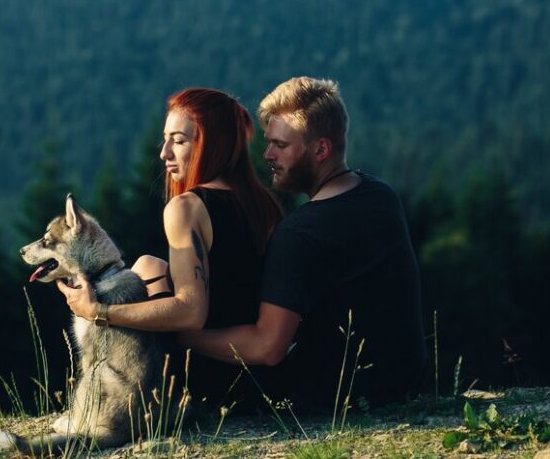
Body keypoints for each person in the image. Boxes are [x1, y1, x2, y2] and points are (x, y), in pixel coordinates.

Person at [179, 76, 426, 408]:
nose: (267, 154)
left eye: (281, 145)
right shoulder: (380, 195)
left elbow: (268, 347)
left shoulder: (299, 233)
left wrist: (183, 336)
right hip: (406, 381)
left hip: (339, 397)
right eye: (268, 142)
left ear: (321, 149)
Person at [57, 87, 283, 405]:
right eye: (166, 139)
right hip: (258, 375)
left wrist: (99, 312)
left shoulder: (187, 208)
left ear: (211, 144)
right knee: (150, 265)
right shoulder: (264, 203)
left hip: (207, 382)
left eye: (179, 140)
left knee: (144, 269)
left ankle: (108, 400)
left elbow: (191, 312)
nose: (164, 152)